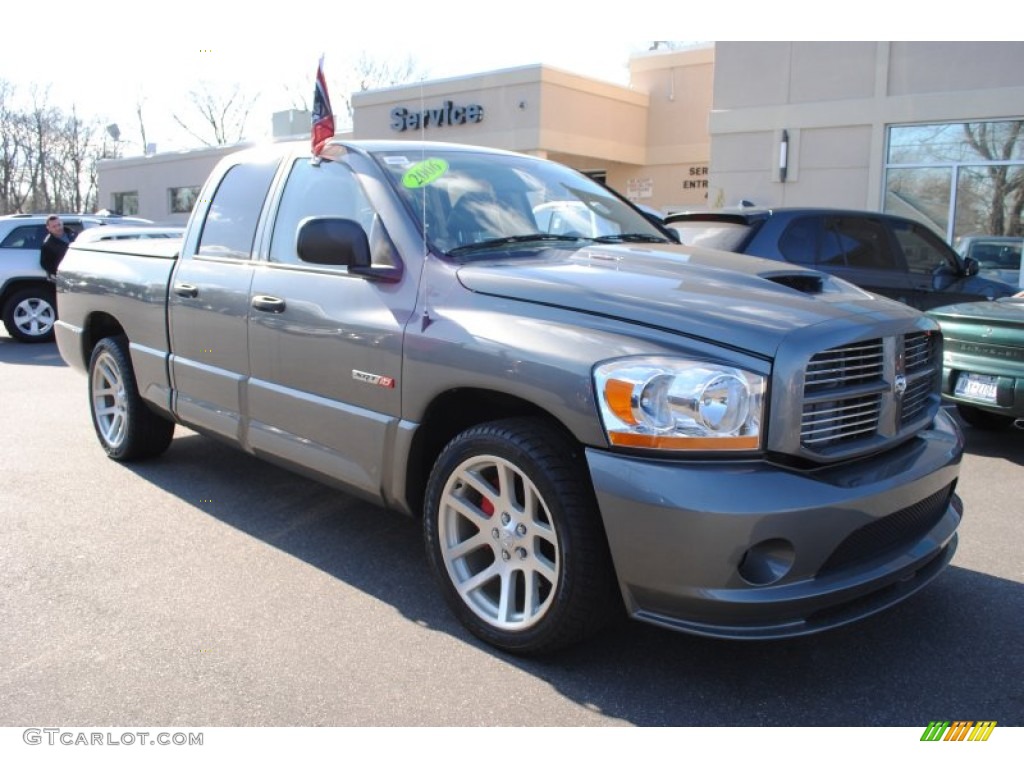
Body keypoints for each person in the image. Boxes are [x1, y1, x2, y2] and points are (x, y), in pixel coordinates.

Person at [40, 214, 74, 280]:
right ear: (48, 228)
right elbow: (45, 264)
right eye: (54, 226)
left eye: (59, 224)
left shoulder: (73, 233)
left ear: (62, 223)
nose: (58, 228)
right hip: (66, 277)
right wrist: (60, 272)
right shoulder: (47, 244)